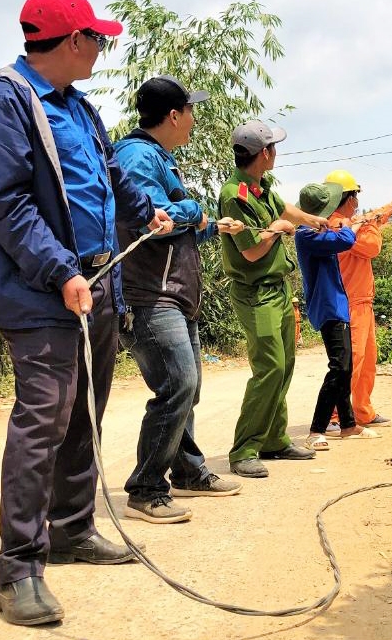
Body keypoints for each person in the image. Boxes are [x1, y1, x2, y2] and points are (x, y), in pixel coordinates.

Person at [0, 0, 173, 626]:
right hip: (40, 290)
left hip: (97, 283)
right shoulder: (0, 103)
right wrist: (59, 273)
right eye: (98, 39)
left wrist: (144, 211)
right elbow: (6, 205)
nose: (104, 48)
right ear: (73, 40)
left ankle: (73, 529)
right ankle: (18, 566)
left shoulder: (80, 108)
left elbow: (108, 175)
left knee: (87, 409)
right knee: (44, 419)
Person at [113, 76, 247, 525]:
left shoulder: (160, 157)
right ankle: (146, 487)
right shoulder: (135, 156)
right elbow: (154, 218)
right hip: (151, 296)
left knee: (188, 390)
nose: (193, 120)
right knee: (178, 385)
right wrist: (195, 210)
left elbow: (180, 225)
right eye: (191, 111)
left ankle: (188, 470)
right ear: (174, 115)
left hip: (175, 294)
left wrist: (213, 225)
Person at [218, 120, 330, 478]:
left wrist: (314, 220)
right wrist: (275, 233)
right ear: (264, 153)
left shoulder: (260, 187)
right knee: (270, 369)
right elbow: (250, 252)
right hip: (255, 293)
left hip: (278, 290)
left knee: (286, 365)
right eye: (274, 148)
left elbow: (284, 211)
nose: (276, 153)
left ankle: (274, 440)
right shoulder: (234, 195)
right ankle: (244, 449)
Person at [294, 182, 380, 450]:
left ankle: (348, 424)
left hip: (339, 303)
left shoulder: (318, 230)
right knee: (339, 366)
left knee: (346, 365)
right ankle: (316, 429)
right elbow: (346, 240)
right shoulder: (307, 234)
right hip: (327, 304)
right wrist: (351, 225)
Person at [327, 170, 392, 427]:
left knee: (367, 360)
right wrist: (371, 221)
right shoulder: (339, 226)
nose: (358, 202)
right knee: (352, 361)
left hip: (362, 302)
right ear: (347, 198)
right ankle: (337, 414)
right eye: (355, 196)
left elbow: (370, 222)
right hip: (350, 303)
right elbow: (372, 245)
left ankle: (362, 411)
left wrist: (388, 209)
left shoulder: (350, 222)